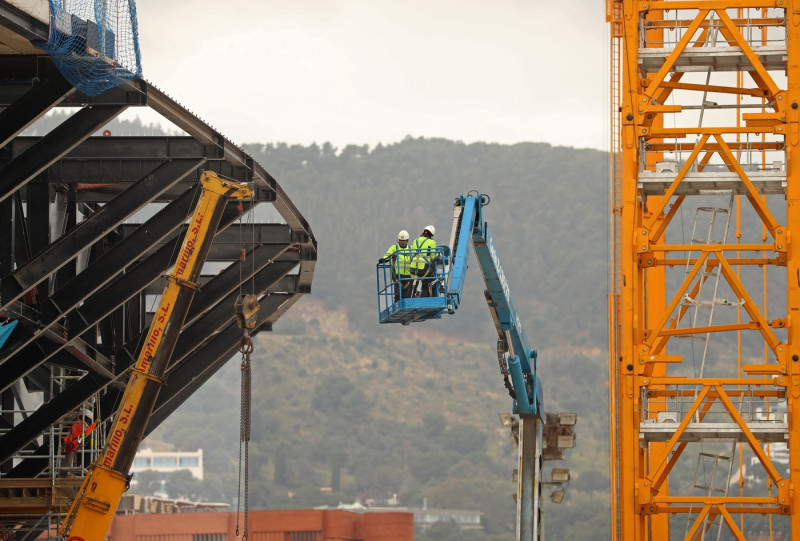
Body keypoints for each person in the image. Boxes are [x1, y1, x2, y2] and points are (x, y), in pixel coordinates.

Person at [379, 230, 413, 301]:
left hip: (408, 276)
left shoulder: (411, 249)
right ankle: (397, 304)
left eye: (404, 240)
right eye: (401, 240)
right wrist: (384, 259)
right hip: (397, 276)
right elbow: (388, 255)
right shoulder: (394, 248)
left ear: (407, 240)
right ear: (398, 240)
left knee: (407, 296)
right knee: (398, 295)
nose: (402, 242)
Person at [61, 411, 96, 476]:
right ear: (85, 417)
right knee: (67, 462)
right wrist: (93, 425)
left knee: (71, 461)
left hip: (71, 444)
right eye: (89, 420)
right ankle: (62, 477)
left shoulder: (78, 422)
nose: (88, 422)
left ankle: (66, 475)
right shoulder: (79, 423)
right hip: (69, 444)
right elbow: (85, 432)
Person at [410, 225, 438, 297]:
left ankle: (411, 298)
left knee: (413, 285)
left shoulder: (415, 241)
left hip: (413, 267)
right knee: (426, 285)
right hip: (424, 268)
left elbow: (412, 254)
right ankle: (424, 298)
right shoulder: (432, 242)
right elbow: (433, 256)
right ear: (431, 234)